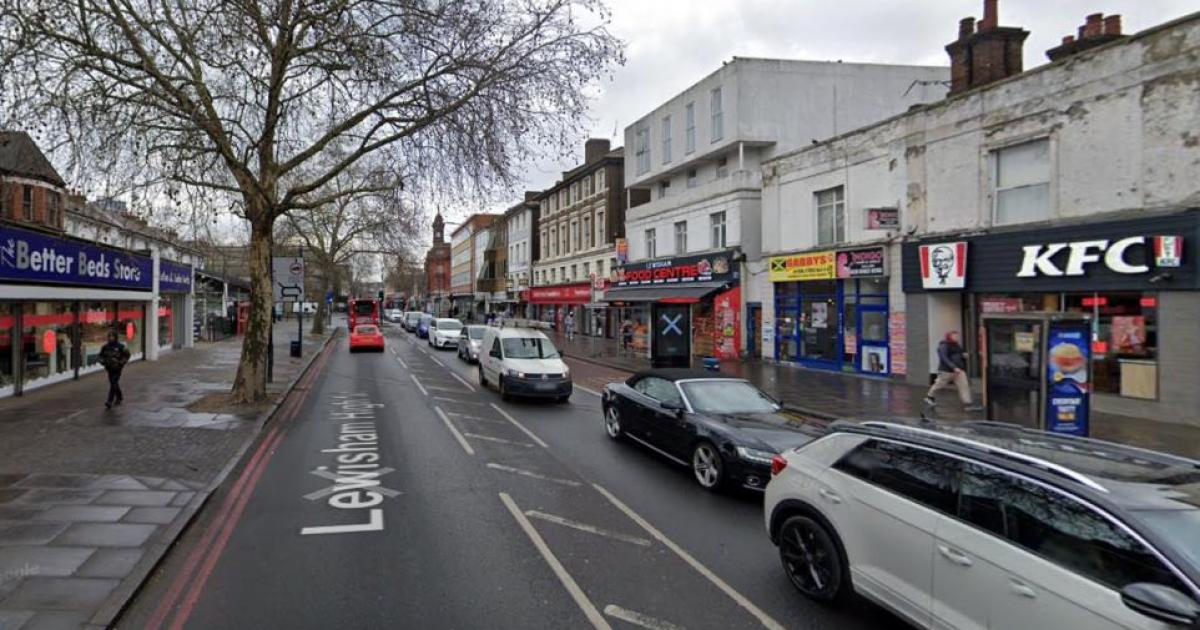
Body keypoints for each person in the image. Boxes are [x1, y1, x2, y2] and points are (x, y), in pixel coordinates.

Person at [924, 331, 983, 411]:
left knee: (964, 386)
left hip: (959, 370)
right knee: (939, 385)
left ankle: (968, 404)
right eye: (954, 336)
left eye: (957, 336)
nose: (957, 337)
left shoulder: (957, 345)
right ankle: (929, 397)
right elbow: (944, 358)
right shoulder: (943, 346)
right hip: (946, 371)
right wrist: (954, 367)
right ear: (949, 336)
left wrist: (964, 355)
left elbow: (958, 354)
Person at [99, 331, 131, 409]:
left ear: (116, 337)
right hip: (109, 368)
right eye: (109, 336)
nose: (111, 338)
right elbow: (100, 356)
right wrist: (102, 361)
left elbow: (127, 355)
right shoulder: (105, 347)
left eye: (112, 336)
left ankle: (109, 401)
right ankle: (119, 396)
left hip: (117, 368)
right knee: (114, 383)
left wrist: (121, 362)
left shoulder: (121, 346)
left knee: (113, 382)